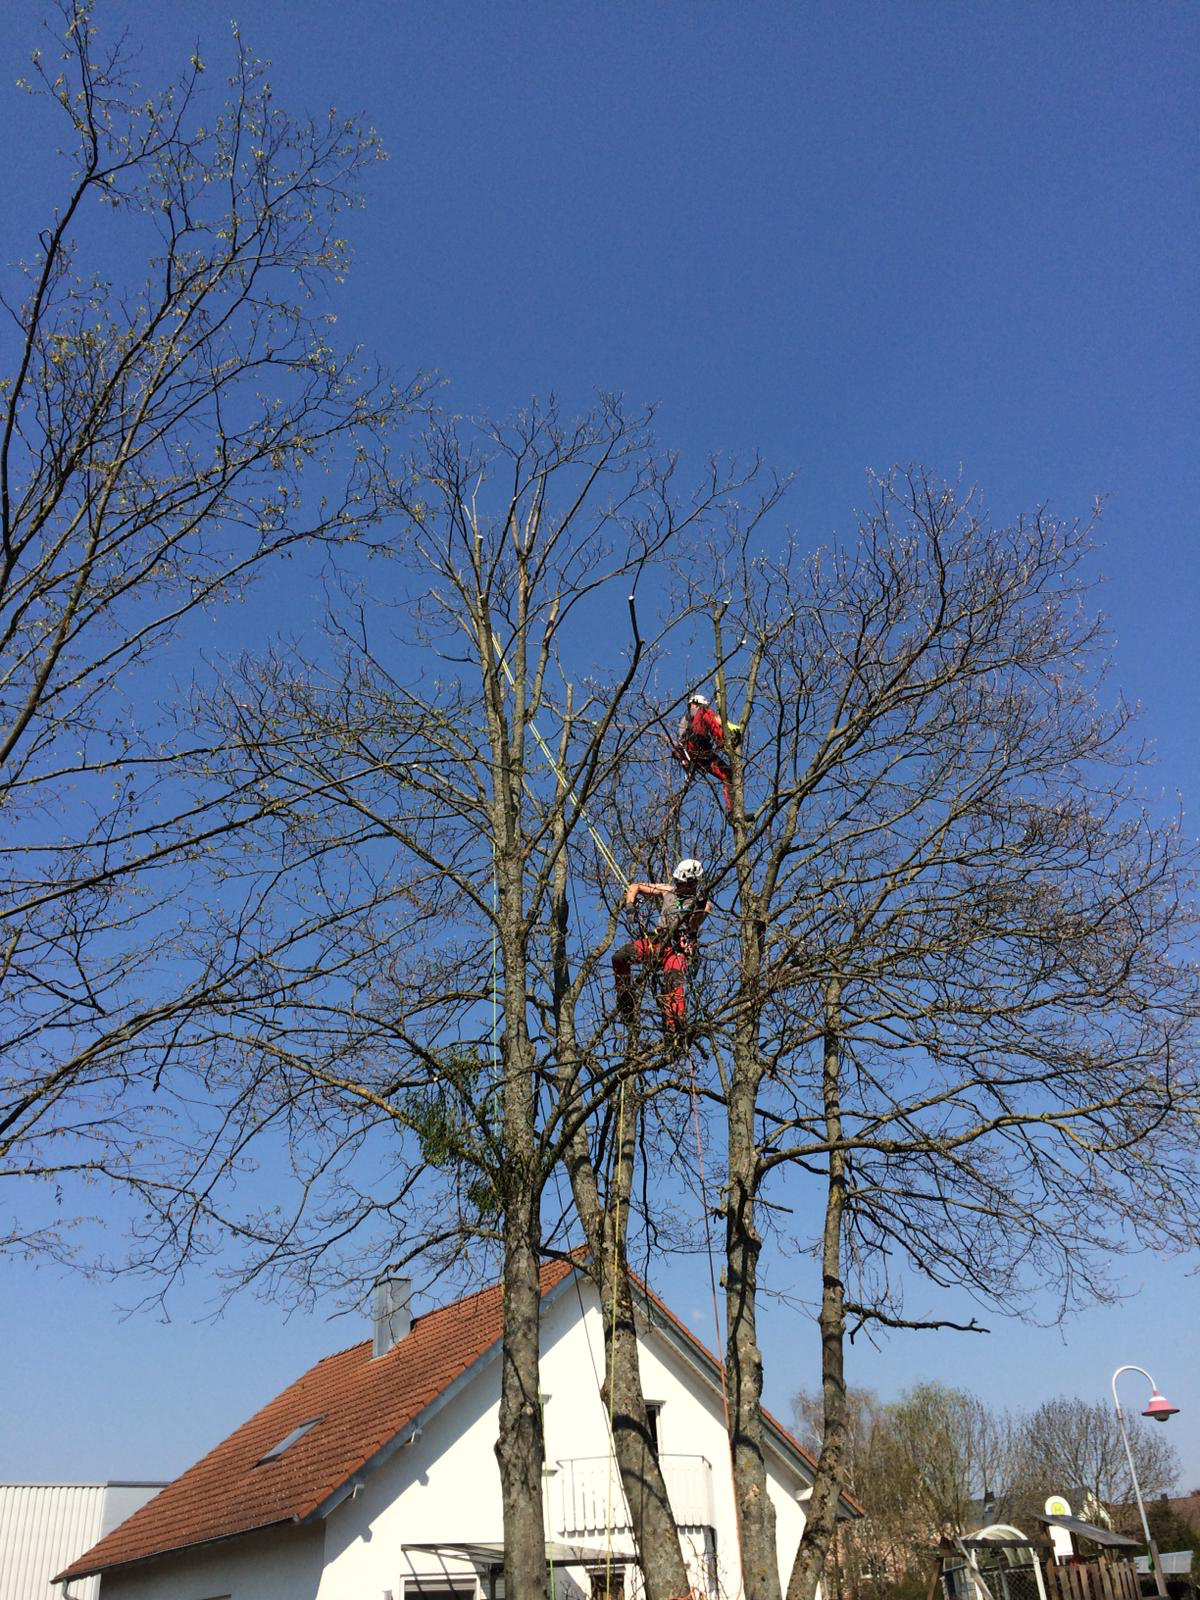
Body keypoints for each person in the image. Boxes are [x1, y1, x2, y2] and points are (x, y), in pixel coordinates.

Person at [612, 858, 712, 1035]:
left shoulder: (702, 904)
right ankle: (625, 998)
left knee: (673, 983)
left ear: (692, 883)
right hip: (657, 942)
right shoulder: (668, 891)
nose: (678, 886)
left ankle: (675, 1029)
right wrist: (630, 905)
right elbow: (636, 886)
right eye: (677, 882)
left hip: (676, 948)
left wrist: (698, 907)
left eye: (682, 883)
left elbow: (694, 924)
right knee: (620, 957)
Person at [674, 692, 732, 814]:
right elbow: (713, 726)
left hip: (697, 755)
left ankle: (732, 812)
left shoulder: (685, 721)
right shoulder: (701, 712)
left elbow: (680, 746)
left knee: (727, 775)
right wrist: (722, 743)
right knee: (728, 774)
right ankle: (732, 811)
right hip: (698, 751)